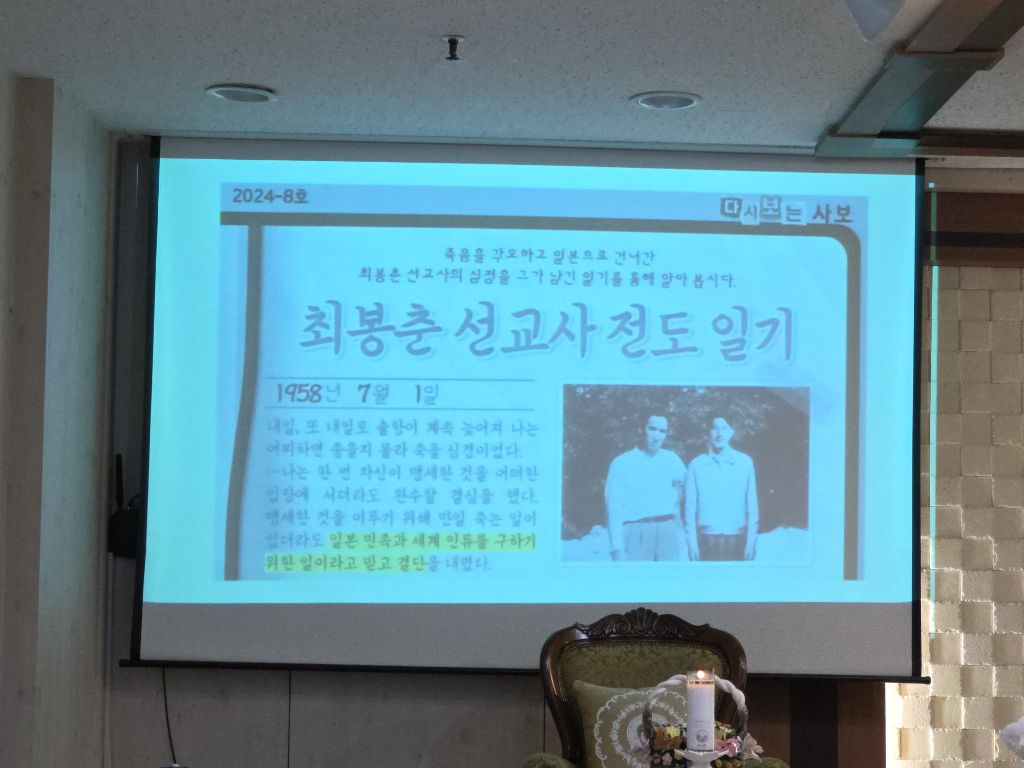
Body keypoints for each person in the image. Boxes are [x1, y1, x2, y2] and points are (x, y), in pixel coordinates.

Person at [604, 415, 686, 561]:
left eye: (662, 431)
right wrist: (617, 547)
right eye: (652, 429)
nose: (656, 436)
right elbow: (613, 507)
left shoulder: (672, 460)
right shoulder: (622, 463)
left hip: (668, 532)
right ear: (641, 429)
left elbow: (687, 493)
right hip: (636, 532)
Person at [684, 417, 759, 561]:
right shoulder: (696, 465)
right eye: (714, 428)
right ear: (707, 432)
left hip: (737, 539)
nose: (719, 434)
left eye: (724, 428)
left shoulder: (744, 462)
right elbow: (690, 509)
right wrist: (692, 543)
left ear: (731, 431)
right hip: (706, 540)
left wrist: (751, 542)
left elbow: (752, 506)